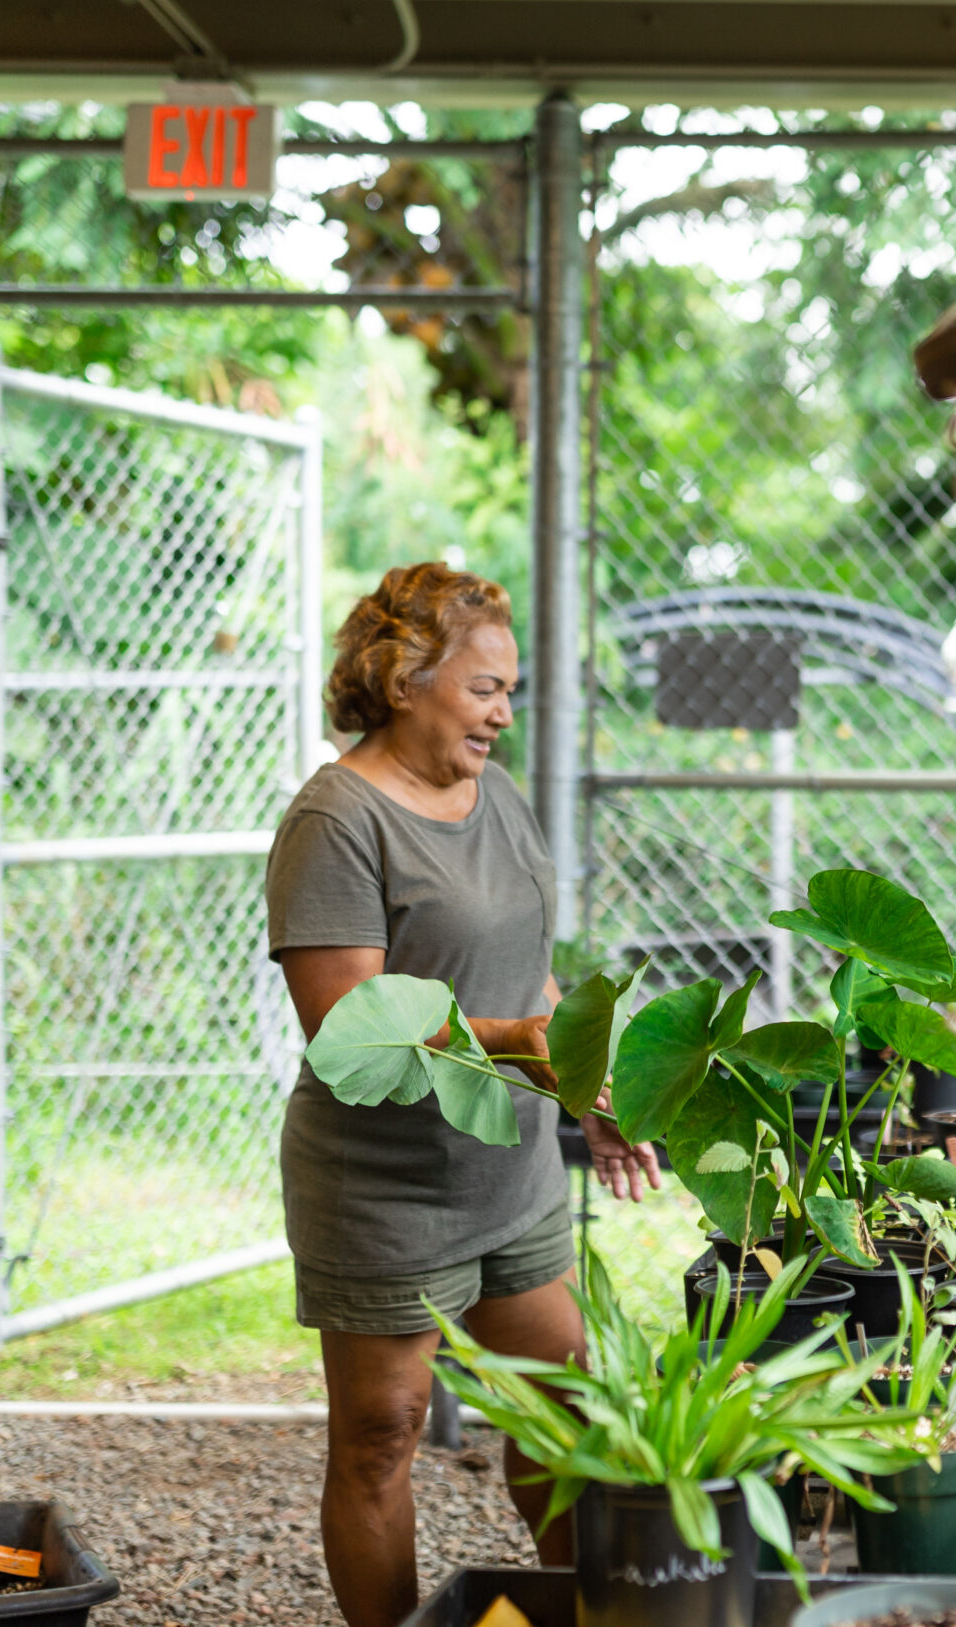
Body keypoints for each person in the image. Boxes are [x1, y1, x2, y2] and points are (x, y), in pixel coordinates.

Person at [265, 562, 664, 1627]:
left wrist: (582, 1085)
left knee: (568, 1413)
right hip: (383, 1185)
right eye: (486, 687)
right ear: (404, 680)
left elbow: (528, 975)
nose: (503, 712)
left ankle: (590, 1613)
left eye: (511, 691)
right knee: (383, 1432)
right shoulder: (335, 820)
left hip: (512, 1170)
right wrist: (514, 1039)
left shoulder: (499, 798)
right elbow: (346, 1023)